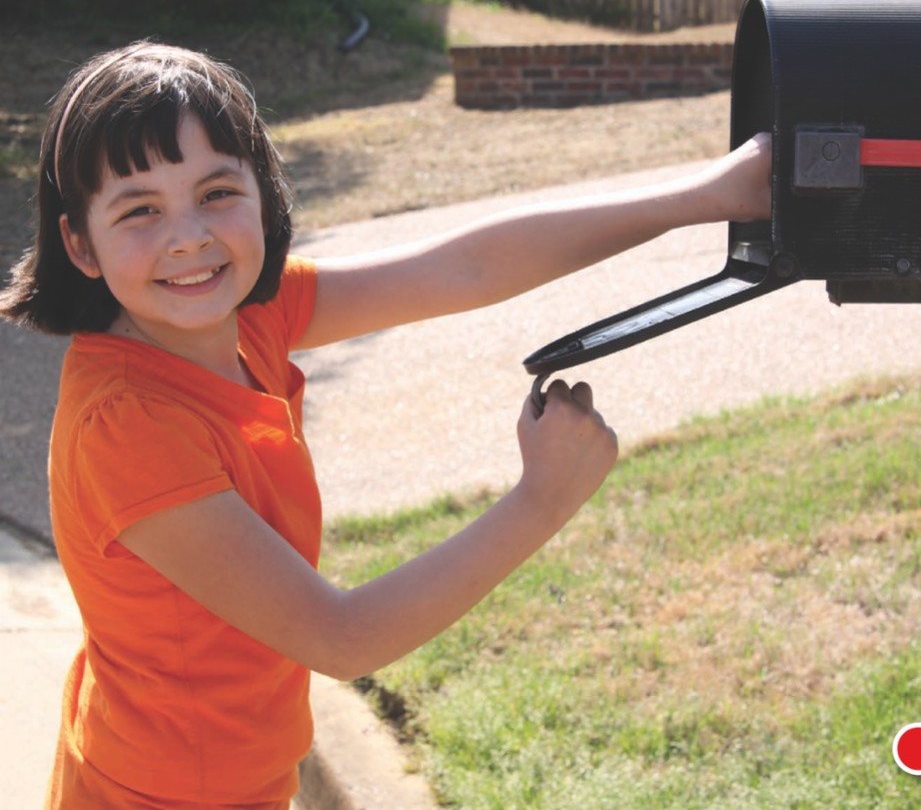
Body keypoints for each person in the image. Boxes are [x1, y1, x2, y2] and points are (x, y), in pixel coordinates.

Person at [0, 41, 771, 808]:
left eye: (216, 193)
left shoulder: (248, 318)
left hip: (224, 778)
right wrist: (543, 500)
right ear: (79, 244)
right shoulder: (126, 425)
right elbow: (342, 638)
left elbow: (466, 268)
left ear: (264, 196)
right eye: (139, 210)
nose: (188, 236)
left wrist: (709, 195)